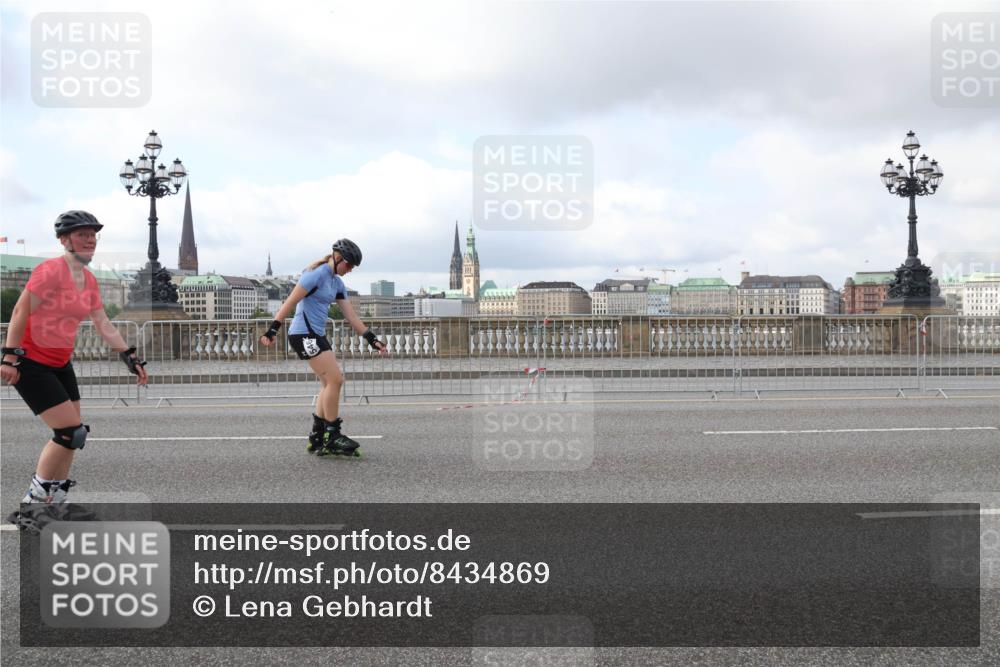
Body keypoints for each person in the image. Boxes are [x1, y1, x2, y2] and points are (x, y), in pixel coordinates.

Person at [3, 211, 148, 531]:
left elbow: (102, 322)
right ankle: (32, 506)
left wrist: (129, 356)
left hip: (60, 362)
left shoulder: (89, 280)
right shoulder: (50, 271)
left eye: (93, 235)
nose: (90, 239)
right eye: (82, 234)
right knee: (68, 433)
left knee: (75, 435)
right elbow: (19, 310)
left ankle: (55, 503)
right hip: (32, 361)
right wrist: (10, 357)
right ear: (64, 240)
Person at [260, 239, 386, 457]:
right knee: (336, 380)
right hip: (302, 334)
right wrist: (272, 330)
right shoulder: (314, 275)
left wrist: (371, 339)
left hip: (316, 335)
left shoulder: (337, 283)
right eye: (349, 265)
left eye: (353, 267)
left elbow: (351, 316)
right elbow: (289, 302)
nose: (350, 270)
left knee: (329, 383)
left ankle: (318, 435)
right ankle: (332, 435)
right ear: (337, 258)